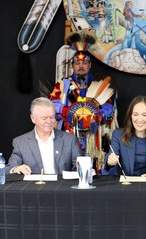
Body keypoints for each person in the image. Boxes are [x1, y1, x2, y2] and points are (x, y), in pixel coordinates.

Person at [49, 33, 118, 173]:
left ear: (90, 64)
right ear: (72, 65)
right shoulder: (63, 85)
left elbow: (109, 107)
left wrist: (97, 114)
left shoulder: (100, 85)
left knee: (94, 170)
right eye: (77, 63)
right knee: (68, 169)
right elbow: (52, 104)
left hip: (94, 136)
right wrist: (66, 111)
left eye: (84, 62)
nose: (81, 66)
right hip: (69, 133)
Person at [5, 97, 81, 175]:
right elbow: (8, 169)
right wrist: (16, 169)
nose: (49, 121)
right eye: (44, 118)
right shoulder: (20, 142)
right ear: (33, 118)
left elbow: (79, 168)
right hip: (33, 187)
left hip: (62, 186)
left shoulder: (70, 140)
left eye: (52, 117)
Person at [103, 96, 146, 178]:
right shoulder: (118, 135)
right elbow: (109, 160)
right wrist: (110, 161)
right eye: (135, 114)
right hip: (125, 186)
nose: (140, 119)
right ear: (131, 116)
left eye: (144, 115)